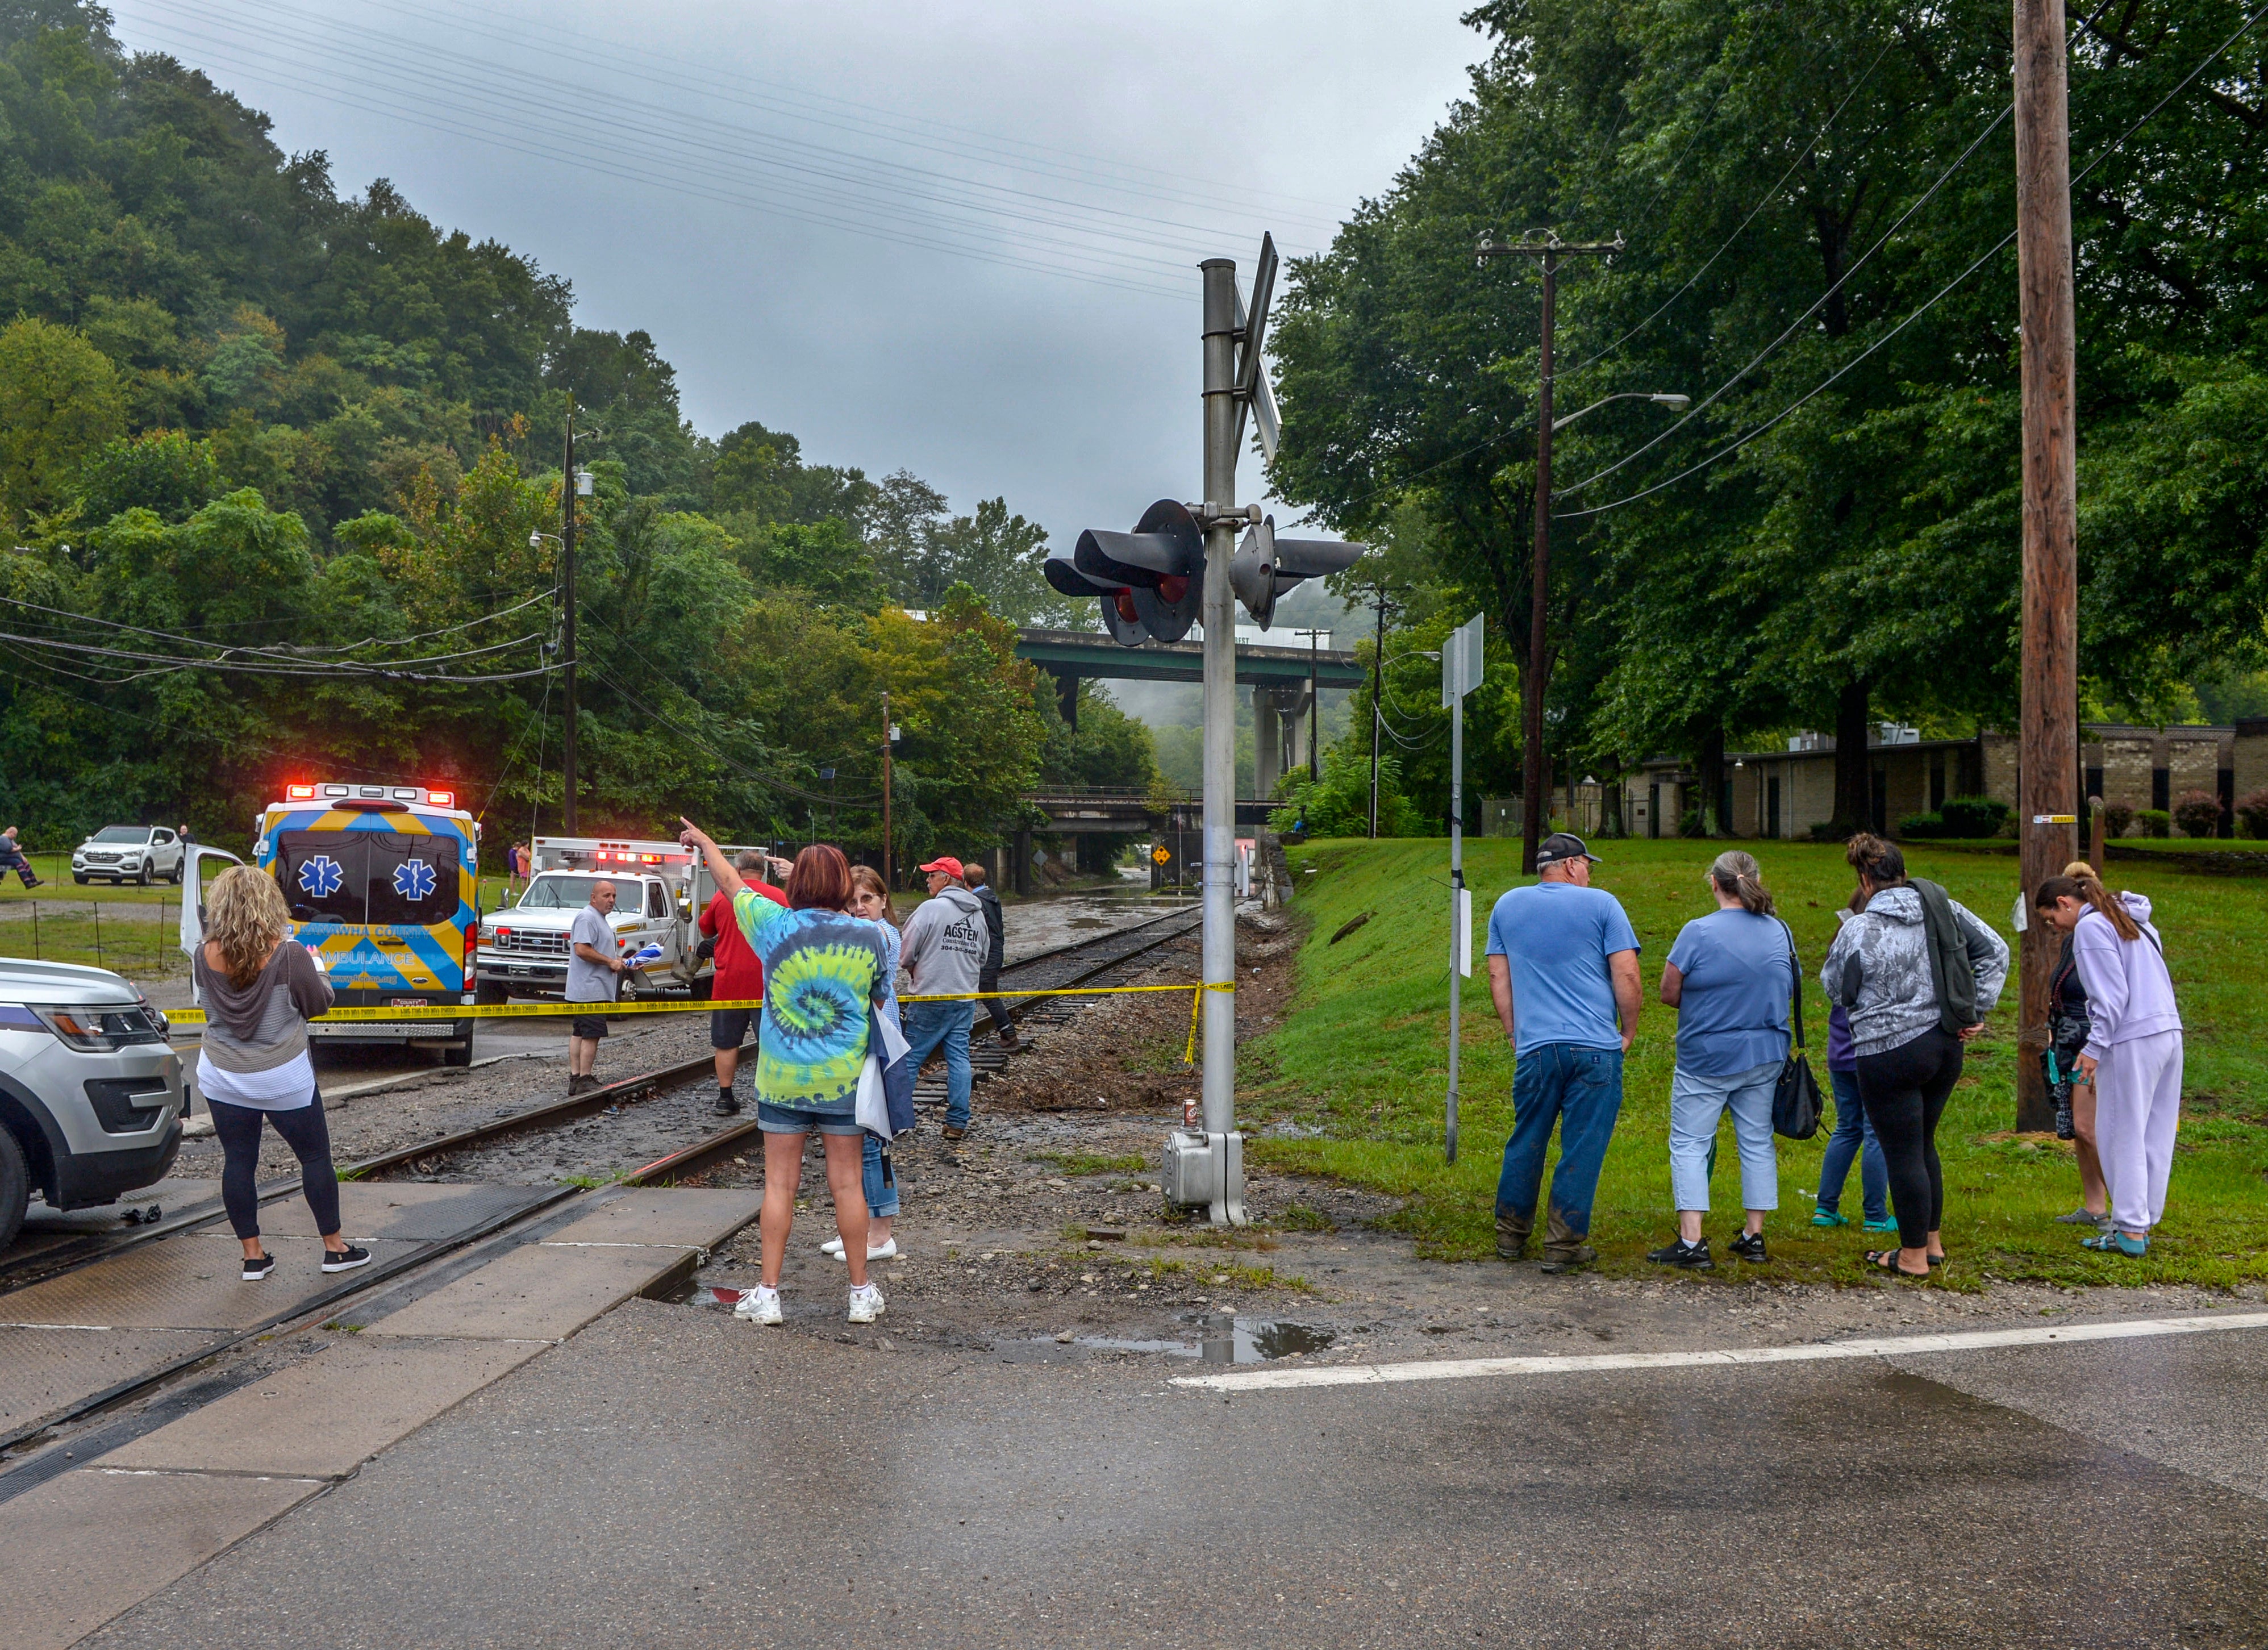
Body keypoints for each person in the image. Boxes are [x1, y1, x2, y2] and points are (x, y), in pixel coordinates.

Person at [680, 822, 890, 1326]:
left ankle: (769, 1295)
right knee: (847, 1187)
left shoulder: (772, 924)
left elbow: (731, 882)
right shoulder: (870, 934)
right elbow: (880, 998)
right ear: (843, 884)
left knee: (779, 1187)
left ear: (796, 885)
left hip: (782, 1081)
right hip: (844, 1083)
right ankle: (861, 1294)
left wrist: (706, 843)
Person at [1821, 835, 2007, 1280]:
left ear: (1865, 880)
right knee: (1924, 1143)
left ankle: (1911, 1257)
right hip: (1945, 1042)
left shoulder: (1859, 927)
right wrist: (1974, 1008)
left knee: (1901, 1151)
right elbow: (1996, 951)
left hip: (1888, 1052)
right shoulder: (1943, 907)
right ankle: (1932, 1242)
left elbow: (1833, 985)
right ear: (1902, 874)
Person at [192, 865, 369, 1281]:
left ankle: (254, 1258)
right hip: (282, 1076)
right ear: (269, 904)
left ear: (221, 907)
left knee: (238, 1160)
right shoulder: (290, 955)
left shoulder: (204, 954)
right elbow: (319, 1003)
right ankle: (335, 1249)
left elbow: (210, 1007)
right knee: (313, 1156)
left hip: (223, 1073)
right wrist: (319, 967)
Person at [1484, 831, 1642, 1275]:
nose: (1590, 874)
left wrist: (1515, 1031)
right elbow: (1626, 973)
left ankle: (1510, 1234)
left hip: (1536, 1047)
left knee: (1527, 1137)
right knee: (1582, 1145)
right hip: (1594, 1047)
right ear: (1571, 865)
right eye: (1588, 865)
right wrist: (1627, 1030)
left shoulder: (1507, 906)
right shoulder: (1603, 905)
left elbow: (1499, 976)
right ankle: (1564, 1243)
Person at [1649, 851, 1791, 1270]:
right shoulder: (1778, 930)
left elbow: (1668, 991)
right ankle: (1754, 1235)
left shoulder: (1697, 932)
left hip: (1707, 1056)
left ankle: (1692, 1243)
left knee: (1691, 1143)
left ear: (1714, 882)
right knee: (1756, 1140)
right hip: (1766, 1052)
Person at [2036, 866, 2181, 1257]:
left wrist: (2094, 1048)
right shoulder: (2135, 921)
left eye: (2053, 919)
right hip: (2168, 1033)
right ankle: (2142, 1220)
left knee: (2120, 1131)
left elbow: (2109, 995)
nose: (2057, 928)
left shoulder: (2091, 927)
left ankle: (2130, 1230)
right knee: (2155, 1131)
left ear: (2065, 903)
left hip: (2130, 1038)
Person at [827, 863, 904, 1263]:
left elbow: (860, 934)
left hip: (880, 1052)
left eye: (866, 899)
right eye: (850, 901)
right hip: (863, 1048)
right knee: (856, 1144)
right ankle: (859, 1228)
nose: (858, 908)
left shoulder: (884, 934)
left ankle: (881, 1234)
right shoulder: (865, 932)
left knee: (876, 1144)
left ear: (883, 901)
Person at [1813, 890, 1891, 1232]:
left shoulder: (1840, 944)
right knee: (1877, 1131)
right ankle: (1875, 1214)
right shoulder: (1883, 942)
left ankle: (1825, 1208)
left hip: (1840, 1050)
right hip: (1872, 1048)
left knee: (1847, 1127)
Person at [899, 855, 986, 1143]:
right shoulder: (978, 914)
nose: (927, 879)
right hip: (964, 999)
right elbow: (982, 957)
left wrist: (918, 967)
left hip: (930, 997)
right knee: (959, 1058)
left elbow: (906, 952)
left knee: (910, 1059)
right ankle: (957, 1122)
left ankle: (898, 1120)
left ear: (946, 879)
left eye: (932, 875)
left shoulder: (930, 910)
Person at [2041, 860, 2107, 1231]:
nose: (2051, 923)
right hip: (2067, 1040)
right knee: (2078, 1132)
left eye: (2051, 914)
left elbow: (2100, 995)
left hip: (2089, 1042)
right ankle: (2095, 1206)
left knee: (2087, 1127)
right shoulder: (2072, 940)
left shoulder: (2095, 935)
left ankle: (2131, 1208)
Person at [699, 851, 787, 1116]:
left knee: (726, 1043)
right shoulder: (778, 896)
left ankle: (725, 1098)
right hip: (768, 984)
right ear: (764, 871)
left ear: (738, 869)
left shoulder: (723, 896)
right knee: (771, 1045)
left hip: (729, 984)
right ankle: (772, 1098)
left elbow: (706, 930)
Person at [565, 878, 624, 1095]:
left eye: (614, 896)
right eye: (606, 896)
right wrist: (610, 962)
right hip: (590, 989)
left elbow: (598, 950)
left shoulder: (597, 919)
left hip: (589, 987)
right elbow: (581, 949)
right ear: (593, 898)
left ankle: (576, 1078)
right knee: (591, 1034)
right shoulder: (587, 917)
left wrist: (620, 961)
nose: (611, 900)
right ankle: (584, 1078)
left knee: (580, 1032)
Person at [962, 860, 1018, 1050]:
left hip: (988, 954)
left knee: (987, 994)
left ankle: (1009, 1035)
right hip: (996, 951)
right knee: (982, 993)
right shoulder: (991, 897)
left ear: (966, 882)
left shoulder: (977, 902)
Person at [0, 825, 39, 889]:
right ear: (10, 832)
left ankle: (33, 880)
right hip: (2, 859)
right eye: (14, 834)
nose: (15, 836)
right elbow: (9, 849)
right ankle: (27, 883)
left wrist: (22, 857)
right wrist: (17, 849)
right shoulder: (3, 839)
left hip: (8, 858)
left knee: (24, 862)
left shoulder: (9, 839)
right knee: (18, 863)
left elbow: (15, 847)